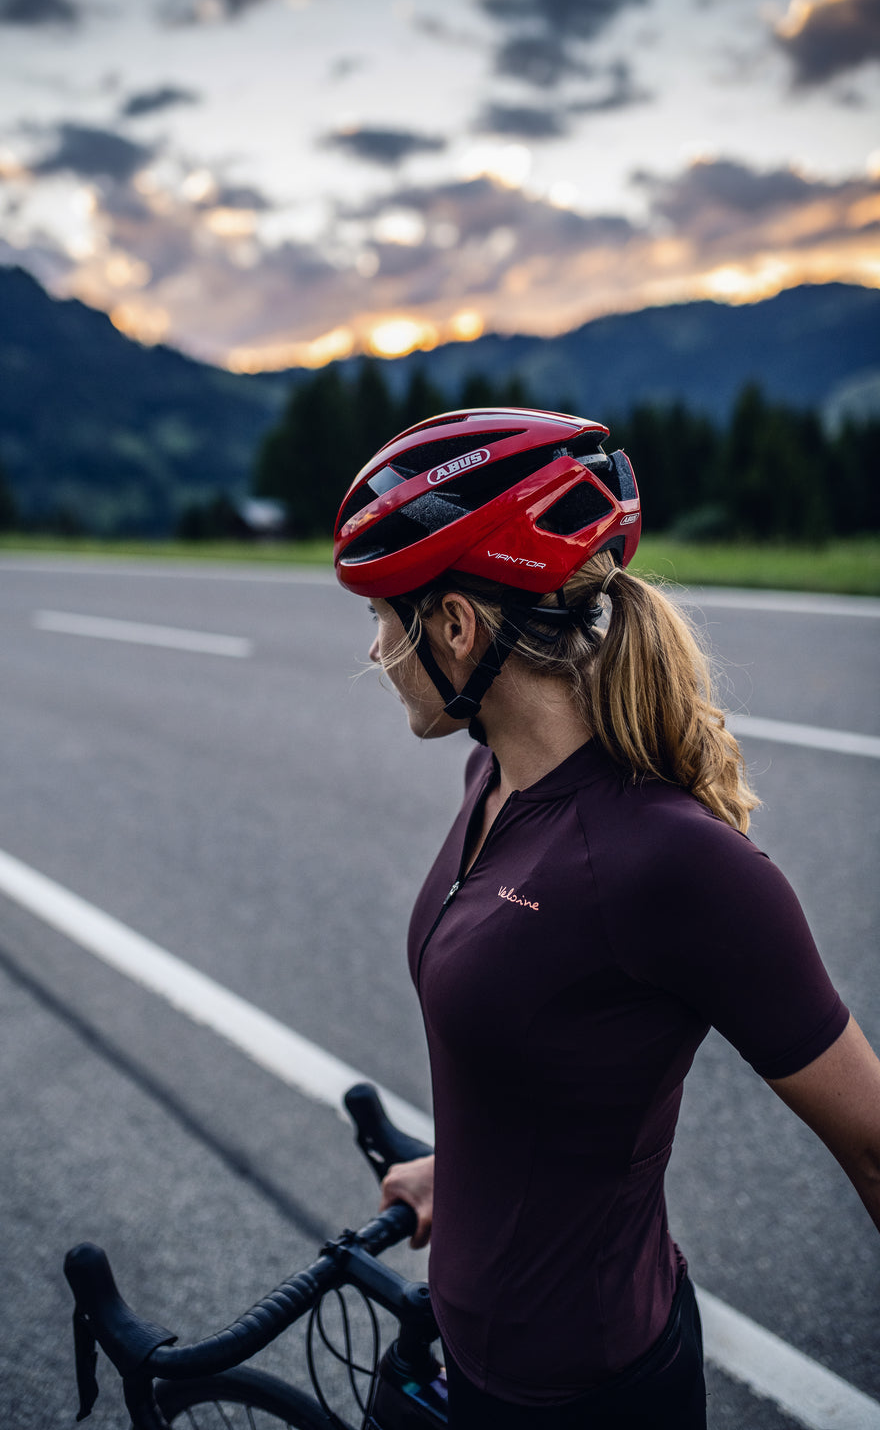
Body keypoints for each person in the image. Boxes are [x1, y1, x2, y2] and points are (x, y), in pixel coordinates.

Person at [333, 406, 880, 1429]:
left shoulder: (675, 862)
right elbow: (555, 1053)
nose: (376, 649)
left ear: (457, 627)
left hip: (588, 1394)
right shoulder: (491, 777)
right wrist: (469, 1174)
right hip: (470, 1347)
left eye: (384, 617)